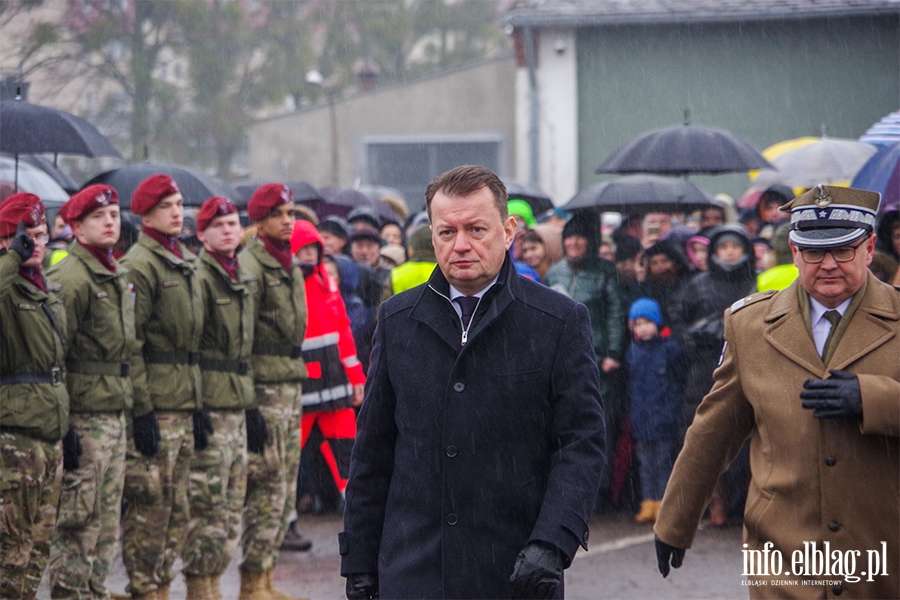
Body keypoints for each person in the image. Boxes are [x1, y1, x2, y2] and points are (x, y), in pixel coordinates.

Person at [340, 166, 606, 599]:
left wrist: (553, 540)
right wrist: (358, 560)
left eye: (476, 229)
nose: (460, 245)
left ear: (508, 231)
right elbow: (373, 451)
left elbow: (580, 443)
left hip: (514, 568)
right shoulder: (397, 320)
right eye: (447, 232)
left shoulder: (558, 322)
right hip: (413, 568)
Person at [655, 185, 900, 598]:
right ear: (793, 250)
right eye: (813, 252)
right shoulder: (751, 325)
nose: (827, 265)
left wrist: (875, 399)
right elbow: (713, 430)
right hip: (784, 555)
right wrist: (674, 522)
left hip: (880, 555)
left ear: (870, 247)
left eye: (843, 251)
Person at [46, 185, 135, 599]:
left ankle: (94, 591)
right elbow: (53, 355)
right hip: (84, 414)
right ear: (77, 227)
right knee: (79, 520)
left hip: (113, 410)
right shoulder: (71, 276)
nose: (111, 222)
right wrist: (63, 423)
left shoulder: (112, 270)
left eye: (115, 215)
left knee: (105, 520)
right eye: (100, 217)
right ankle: (70, 593)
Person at [120, 174, 204, 600]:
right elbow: (130, 344)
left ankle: (162, 589)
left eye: (180, 204)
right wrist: (142, 410)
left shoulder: (182, 258)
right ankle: (144, 590)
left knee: (178, 508)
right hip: (157, 401)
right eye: (168, 206)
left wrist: (199, 402)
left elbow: (194, 341)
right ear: (147, 214)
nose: (179, 212)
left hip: (184, 401)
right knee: (150, 509)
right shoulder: (140, 264)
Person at [181, 197, 264, 598]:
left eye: (233, 223)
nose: (229, 230)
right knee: (207, 503)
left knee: (232, 503)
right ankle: (201, 586)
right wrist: (197, 405)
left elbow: (244, 351)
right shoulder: (200, 277)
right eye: (219, 225)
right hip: (212, 402)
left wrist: (251, 407)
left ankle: (216, 582)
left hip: (237, 399)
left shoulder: (240, 275)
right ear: (202, 234)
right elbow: (192, 348)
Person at [238, 183, 308, 600]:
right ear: (260, 220)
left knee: (284, 486)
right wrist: (249, 402)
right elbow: (241, 338)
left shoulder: (288, 262)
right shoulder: (252, 265)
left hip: (288, 380)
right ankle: (252, 580)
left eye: (291, 213)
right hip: (264, 385)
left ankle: (265, 576)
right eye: (279, 214)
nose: (289, 221)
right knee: (265, 485)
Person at [0, 193, 69, 600]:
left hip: (50, 430)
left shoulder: (45, 288)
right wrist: (10, 257)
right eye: (28, 236)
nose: (37, 244)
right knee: (10, 549)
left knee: (37, 549)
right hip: (15, 437)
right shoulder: (7, 286)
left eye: (43, 235)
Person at [544, 210, 627, 510]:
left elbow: (617, 313)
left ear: (590, 242)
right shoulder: (555, 273)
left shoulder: (606, 272)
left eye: (580, 237)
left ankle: (600, 491)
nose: (574, 243)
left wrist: (614, 353)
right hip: (564, 358)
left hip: (599, 359)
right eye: (570, 238)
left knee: (600, 426)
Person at [290, 220, 365, 519]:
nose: (308, 254)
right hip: (301, 379)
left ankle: (358, 508)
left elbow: (344, 333)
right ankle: (285, 519)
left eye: (313, 248)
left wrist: (356, 377)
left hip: (333, 380)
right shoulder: (285, 283)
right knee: (288, 453)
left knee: (347, 445)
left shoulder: (326, 281)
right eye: (303, 248)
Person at [625, 298, 687, 525]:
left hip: (664, 417)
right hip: (642, 419)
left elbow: (679, 380)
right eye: (638, 324)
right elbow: (631, 387)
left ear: (657, 323)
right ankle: (647, 501)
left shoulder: (670, 349)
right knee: (645, 464)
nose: (643, 328)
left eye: (647, 322)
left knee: (662, 463)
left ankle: (663, 502)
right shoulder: (633, 351)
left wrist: (671, 410)